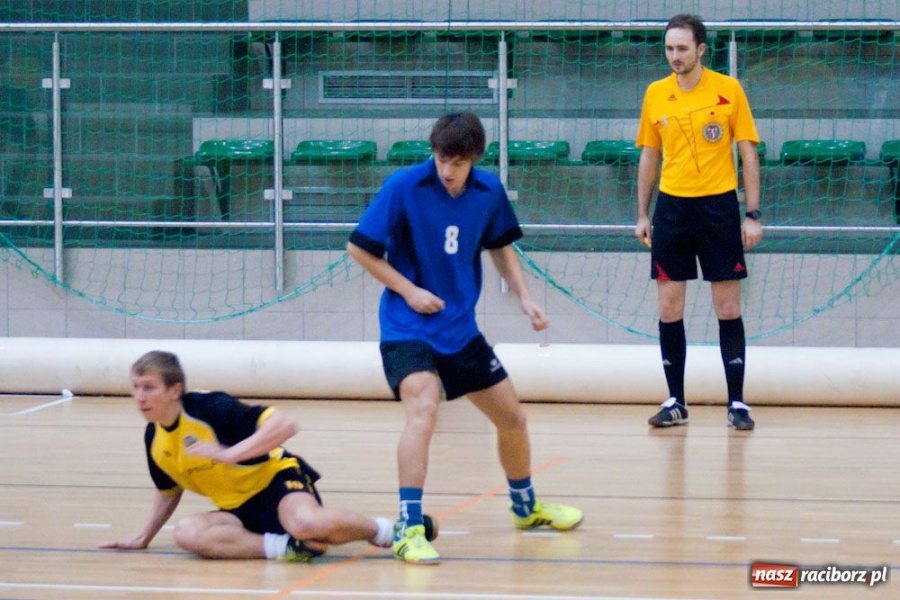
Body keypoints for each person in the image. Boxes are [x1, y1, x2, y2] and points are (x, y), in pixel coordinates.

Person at [347, 111, 584, 566]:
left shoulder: (488, 191)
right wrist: (409, 290)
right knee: (424, 407)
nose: (447, 169)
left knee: (512, 417)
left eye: (457, 161)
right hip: (407, 326)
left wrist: (525, 297)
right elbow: (358, 247)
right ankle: (408, 527)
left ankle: (525, 508)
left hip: (459, 329)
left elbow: (500, 247)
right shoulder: (404, 186)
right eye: (441, 158)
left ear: (475, 158)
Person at [99, 350, 435, 561]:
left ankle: (394, 531)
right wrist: (144, 538)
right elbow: (168, 491)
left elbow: (286, 424)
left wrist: (229, 454)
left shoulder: (210, 409)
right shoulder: (154, 440)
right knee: (187, 534)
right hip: (236, 510)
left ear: (174, 391)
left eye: (148, 387)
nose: (139, 396)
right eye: (135, 387)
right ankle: (288, 548)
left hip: (277, 483)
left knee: (307, 523)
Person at [634, 14, 763, 431]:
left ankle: (738, 403)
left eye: (683, 49)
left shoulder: (728, 90)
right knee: (669, 307)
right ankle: (675, 401)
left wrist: (752, 214)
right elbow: (649, 156)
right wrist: (642, 213)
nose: (675, 56)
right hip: (671, 210)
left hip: (719, 209)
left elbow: (747, 154)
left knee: (727, 305)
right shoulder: (655, 94)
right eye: (669, 49)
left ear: (701, 49)